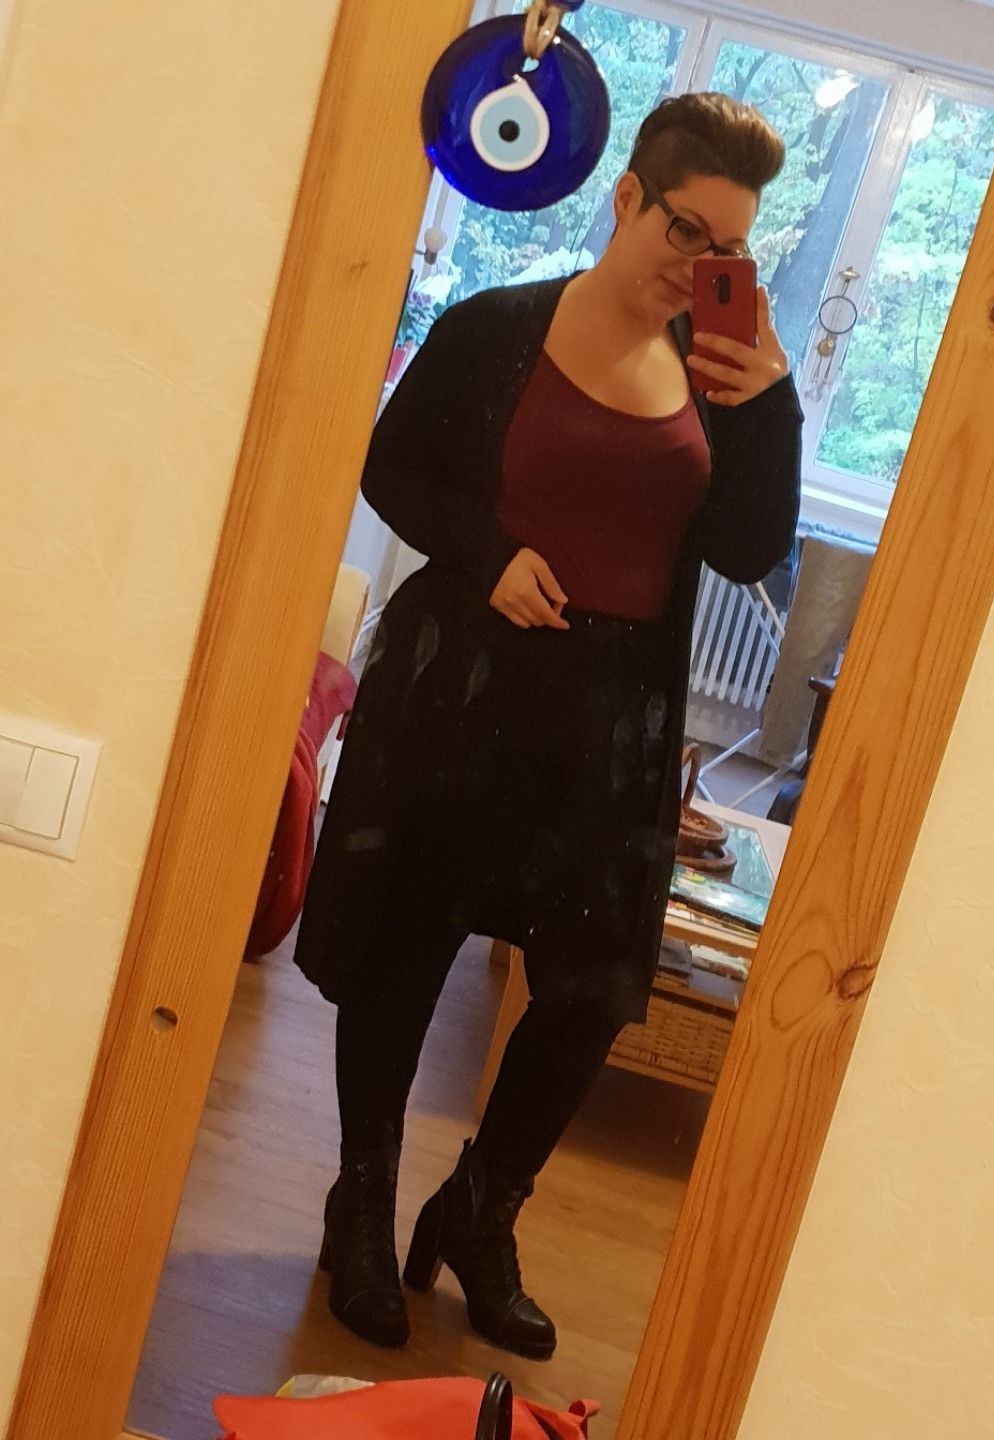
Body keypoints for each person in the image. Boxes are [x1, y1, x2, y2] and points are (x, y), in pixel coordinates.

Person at [295, 92, 802, 1360]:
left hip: (613, 727)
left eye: (728, 250)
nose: (700, 266)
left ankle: (479, 1211)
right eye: (684, 231)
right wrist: (488, 553)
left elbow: (748, 551)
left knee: (588, 992)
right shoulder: (495, 327)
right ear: (627, 197)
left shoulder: (721, 378)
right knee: (408, 950)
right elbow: (391, 466)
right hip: (464, 691)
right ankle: (362, 1204)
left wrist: (774, 407)